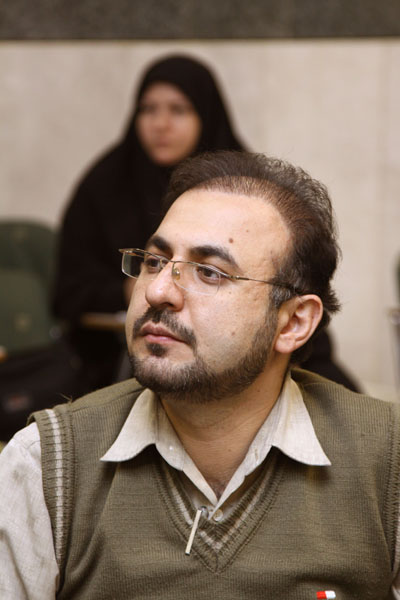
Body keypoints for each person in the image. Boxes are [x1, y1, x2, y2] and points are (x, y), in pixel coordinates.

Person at [0, 150, 399, 598]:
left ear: (293, 323)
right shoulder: (45, 464)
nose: (158, 291)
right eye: (154, 261)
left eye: (209, 272)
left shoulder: (387, 461)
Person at [52, 54, 244, 392]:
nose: (160, 124)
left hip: (231, 357)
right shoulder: (106, 183)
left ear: (206, 114)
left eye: (178, 110)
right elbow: (67, 292)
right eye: (148, 109)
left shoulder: (243, 185)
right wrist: (128, 289)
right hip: (115, 363)